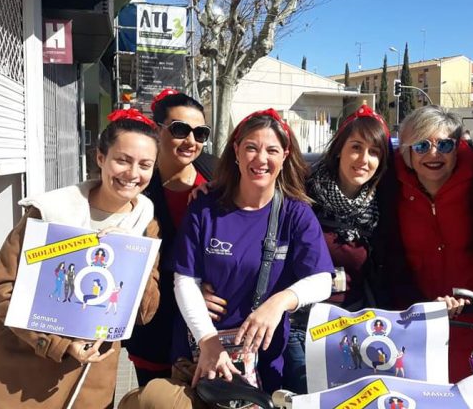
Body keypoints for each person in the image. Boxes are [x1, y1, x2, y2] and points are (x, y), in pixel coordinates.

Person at [118, 108, 334, 408]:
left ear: (284, 155)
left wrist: (280, 302)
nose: (260, 159)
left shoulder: (295, 214)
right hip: (198, 355)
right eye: (251, 148)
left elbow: (323, 279)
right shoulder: (206, 206)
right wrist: (207, 339)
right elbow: (185, 279)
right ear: (236, 151)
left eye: (271, 150)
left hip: (263, 362)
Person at [0, 108, 162, 408]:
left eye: (145, 165)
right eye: (123, 160)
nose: (133, 174)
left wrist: (131, 257)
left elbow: (145, 314)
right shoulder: (50, 212)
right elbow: (3, 289)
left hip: (91, 379)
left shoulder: (145, 225)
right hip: (20, 371)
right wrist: (58, 344)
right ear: (101, 158)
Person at [374, 105, 473, 382]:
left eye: (445, 144)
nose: (434, 154)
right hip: (414, 326)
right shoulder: (389, 185)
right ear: (406, 152)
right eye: (422, 145)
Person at [280, 104, 391, 392]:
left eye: (374, 152)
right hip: (301, 324)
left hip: (353, 325)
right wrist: (210, 188)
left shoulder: (384, 204)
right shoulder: (301, 192)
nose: (364, 160)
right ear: (339, 148)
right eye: (356, 147)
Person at [125, 88, 218, 386]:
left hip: (211, 330)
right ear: (157, 129)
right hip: (156, 328)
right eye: (180, 129)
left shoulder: (219, 178)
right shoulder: (135, 186)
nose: (191, 141)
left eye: (200, 133)